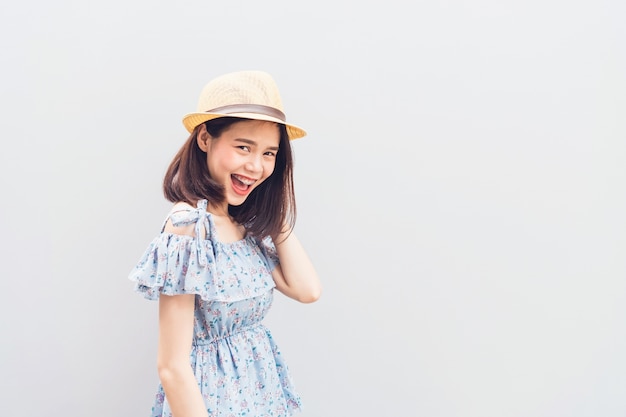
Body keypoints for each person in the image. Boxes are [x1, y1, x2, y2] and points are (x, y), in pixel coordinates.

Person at [128, 70, 322, 417]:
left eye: (269, 154)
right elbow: (172, 367)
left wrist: (275, 216)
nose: (256, 166)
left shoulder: (243, 227)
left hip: (263, 399)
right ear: (205, 138)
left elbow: (307, 290)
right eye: (243, 147)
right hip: (212, 405)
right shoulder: (189, 229)